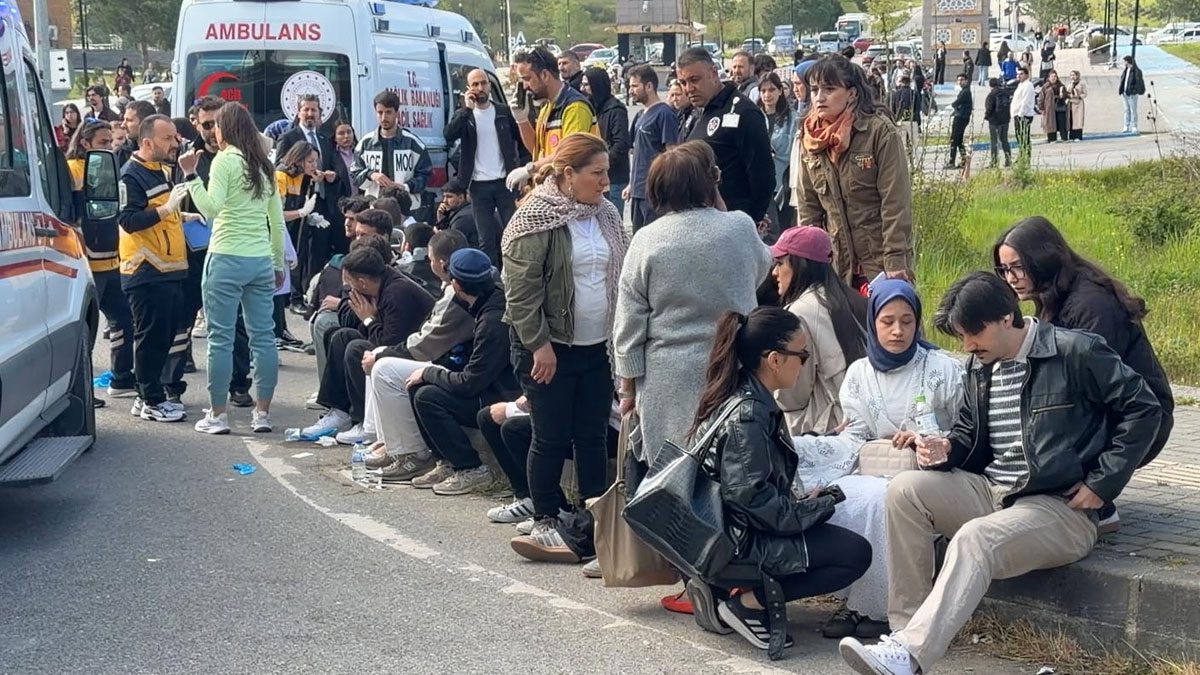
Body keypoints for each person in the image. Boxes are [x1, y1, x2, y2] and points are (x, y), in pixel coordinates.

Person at [838, 271, 1161, 675]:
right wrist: (946, 448)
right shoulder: (980, 366)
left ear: (1007, 317)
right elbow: (971, 436)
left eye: (974, 334)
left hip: (1059, 507)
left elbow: (1145, 409)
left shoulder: (1074, 351)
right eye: (961, 338)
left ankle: (910, 655)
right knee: (905, 491)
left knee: (975, 537)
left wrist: (1103, 482)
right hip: (994, 492)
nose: (968, 346)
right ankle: (905, 635)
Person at [682, 307, 871, 655]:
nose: (805, 362)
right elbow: (750, 500)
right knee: (855, 554)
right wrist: (815, 508)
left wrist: (802, 502)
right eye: (801, 354)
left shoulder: (745, 396)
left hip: (721, 532)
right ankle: (748, 604)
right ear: (773, 359)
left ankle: (722, 593)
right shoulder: (750, 413)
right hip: (734, 543)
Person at [790, 279, 964, 640]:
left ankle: (884, 607)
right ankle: (855, 602)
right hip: (874, 466)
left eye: (907, 321)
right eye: (887, 322)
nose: (898, 331)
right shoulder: (859, 374)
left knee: (882, 500)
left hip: (926, 474)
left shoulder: (942, 370)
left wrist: (926, 440)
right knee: (842, 493)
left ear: (918, 323)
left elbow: (966, 432)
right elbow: (854, 436)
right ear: (873, 322)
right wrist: (812, 446)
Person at [502, 133, 628, 563]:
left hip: (596, 347)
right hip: (547, 349)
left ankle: (593, 524)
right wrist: (539, 345)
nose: (606, 182)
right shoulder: (535, 218)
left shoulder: (607, 215)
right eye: (597, 173)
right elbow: (521, 292)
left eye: (608, 172)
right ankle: (546, 520)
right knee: (551, 436)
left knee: (592, 438)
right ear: (568, 174)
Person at [613, 141, 772, 472]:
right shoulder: (740, 226)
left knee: (673, 477)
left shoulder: (646, 239)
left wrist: (628, 388)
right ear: (710, 182)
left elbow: (629, 322)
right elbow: (762, 269)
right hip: (731, 365)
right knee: (731, 466)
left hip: (666, 376)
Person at [993, 217, 1174, 475]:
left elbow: (1088, 387)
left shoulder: (1092, 305)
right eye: (1004, 269)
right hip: (1110, 411)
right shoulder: (1056, 294)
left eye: (1018, 267)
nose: (1011, 278)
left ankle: (1091, 494)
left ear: (1042, 259)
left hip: (1141, 417)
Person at [180, 102, 287, 434]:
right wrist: (277, 263)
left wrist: (190, 175)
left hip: (225, 256)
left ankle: (218, 414)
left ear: (223, 130)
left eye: (216, 126)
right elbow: (277, 222)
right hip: (259, 260)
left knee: (221, 339)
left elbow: (211, 208)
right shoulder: (264, 166)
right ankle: (263, 414)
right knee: (263, 339)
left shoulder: (225, 161)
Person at [406, 248, 521, 494]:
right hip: (488, 385)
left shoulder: (493, 320)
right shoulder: (484, 300)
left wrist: (430, 373)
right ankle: (446, 462)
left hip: (501, 393)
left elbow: (470, 383)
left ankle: (471, 469)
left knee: (427, 396)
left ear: (456, 284)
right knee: (418, 387)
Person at [363, 229, 475, 482]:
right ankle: (388, 443)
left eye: (432, 258)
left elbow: (425, 344)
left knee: (383, 366)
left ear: (442, 264)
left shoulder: (458, 293)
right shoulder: (454, 284)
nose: (429, 262)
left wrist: (383, 349)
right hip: (447, 358)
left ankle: (412, 454)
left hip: (459, 366)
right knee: (377, 355)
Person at [795, 55, 914, 288]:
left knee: (887, 322)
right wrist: (811, 264)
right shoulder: (810, 139)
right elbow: (809, 209)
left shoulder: (879, 132)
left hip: (879, 260)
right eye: (815, 89)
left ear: (852, 93)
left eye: (829, 89)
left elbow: (895, 202)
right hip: (836, 263)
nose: (819, 97)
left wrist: (895, 260)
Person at [302, 242, 436, 443]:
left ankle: (363, 421)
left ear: (363, 282)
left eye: (350, 284)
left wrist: (368, 319)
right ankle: (339, 412)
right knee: (340, 336)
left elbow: (387, 345)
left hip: (413, 356)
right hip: (394, 346)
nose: (348, 290)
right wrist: (366, 319)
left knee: (357, 348)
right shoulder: (378, 287)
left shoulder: (396, 293)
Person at [117, 115, 190, 423]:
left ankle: (147, 394)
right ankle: (151, 400)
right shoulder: (130, 175)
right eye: (167, 138)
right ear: (146, 142)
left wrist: (184, 218)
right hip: (145, 268)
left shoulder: (160, 168)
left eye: (174, 137)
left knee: (163, 336)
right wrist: (167, 209)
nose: (174, 143)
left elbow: (162, 215)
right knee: (150, 337)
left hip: (170, 267)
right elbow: (129, 220)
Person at [769, 226, 867, 434]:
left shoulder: (798, 313)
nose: (774, 272)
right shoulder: (855, 300)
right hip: (867, 415)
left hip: (832, 426)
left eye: (779, 263)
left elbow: (792, 396)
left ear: (799, 265)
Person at [67, 121, 136, 406]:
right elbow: (72, 209)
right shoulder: (73, 169)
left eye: (111, 141)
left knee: (123, 317)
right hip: (88, 258)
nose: (111, 146)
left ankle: (121, 377)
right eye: (104, 142)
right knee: (89, 328)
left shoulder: (110, 164)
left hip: (111, 256)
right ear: (85, 143)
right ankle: (82, 391)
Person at [677, 47, 774, 228]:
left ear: (713, 73)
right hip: (700, 223)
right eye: (683, 82)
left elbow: (763, 176)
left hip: (731, 226)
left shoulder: (744, 112)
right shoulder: (698, 112)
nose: (688, 89)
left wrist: (752, 220)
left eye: (694, 80)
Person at [443, 68, 523, 266]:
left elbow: (520, 142)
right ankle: (492, 279)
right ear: (469, 88)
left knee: (513, 232)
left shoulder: (503, 112)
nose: (480, 88)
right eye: (475, 84)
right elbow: (448, 134)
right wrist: (466, 110)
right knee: (485, 238)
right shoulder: (465, 116)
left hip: (505, 181)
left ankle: (515, 272)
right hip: (478, 184)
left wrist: (523, 171)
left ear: (490, 85)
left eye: (483, 83)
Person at [278, 95, 353, 296]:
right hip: (296, 203)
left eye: (314, 110)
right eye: (306, 110)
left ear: (320, 114)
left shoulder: (324, 139)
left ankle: (311, 291)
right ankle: (293, 295)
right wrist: (305, 173)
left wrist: (331, 176)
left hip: (322, 202)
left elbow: (336, 169)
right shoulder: (289, 137)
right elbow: (280, 167)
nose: (310, 114)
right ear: (298, 112)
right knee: (296, 249)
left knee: (317, 251)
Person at [507, 46, 600, 189]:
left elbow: (569, 154)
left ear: (545, 75)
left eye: (527, 79)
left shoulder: (575, 107)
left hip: (577, 193)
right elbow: (536, 150)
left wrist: (530, 169)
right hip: (556, 190)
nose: (525, 86)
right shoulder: (547, 108)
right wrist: (522, 120)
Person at [351, 90, 433, 211]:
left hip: (406, 208)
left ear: (396, 113)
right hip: (374, 206)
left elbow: (426, 175)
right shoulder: (365, 143)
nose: (383, 117)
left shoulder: (413, 143)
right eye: (380, 113)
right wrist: (370, 174)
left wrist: (405, 187)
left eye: (388, 112)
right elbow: (354, 173)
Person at [624, 64, 679, 231]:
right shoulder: (641, 115)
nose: (630, 91)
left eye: (634, 86)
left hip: (654, 193)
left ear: (649, 86)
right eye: (629, 86)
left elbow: (672, 153)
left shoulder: (665, 114)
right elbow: (639, 153)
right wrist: (631, 184)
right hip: (637, 192)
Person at [274, 140, 321, 318]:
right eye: (310, 161)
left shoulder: (305, 177)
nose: (314, 165)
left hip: (295, 226)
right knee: (286, 266)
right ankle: (291, 302)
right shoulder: (281, 175)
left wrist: (309, 216)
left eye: (315, 161)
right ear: (298, 160)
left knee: (298, 260)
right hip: (279, 229)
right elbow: (277, 213)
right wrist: (302, 212)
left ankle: (295, 298)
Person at [582, 67, 631, 215]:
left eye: (586, 85)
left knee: (611, 220)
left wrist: (601, 164)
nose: (582, 88)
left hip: (614, 177)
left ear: (597, 85)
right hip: (596, 175)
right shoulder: (591, 107)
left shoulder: (616, 110)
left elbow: (621, 144)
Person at [759, 72, 797, 232]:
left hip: (784, 182)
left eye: (772, 90)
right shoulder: (754, 116)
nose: (767, 95)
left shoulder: (793, 118)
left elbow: (792, 152)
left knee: (783, 228)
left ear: (780, 91)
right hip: (761, 183)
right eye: (763, 91)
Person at [434, 181, 477, 247]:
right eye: (444, 196)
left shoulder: (462, 219)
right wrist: (441, 219)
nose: (444, 201)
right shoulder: (460, 211)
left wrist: (440, 236)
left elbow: (452, 246)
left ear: (461, 198)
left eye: (449, 197)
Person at [116, 100, 156, 169]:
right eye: (124, 120)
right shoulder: (121, 153)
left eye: (129, 120)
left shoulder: (163, 152)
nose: (123, 125)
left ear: (144, 123)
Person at [984, 78, 1013, 168]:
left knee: (994, 142)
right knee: (1004, 140)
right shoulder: (1005, 93)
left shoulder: (991, 95)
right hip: (1005, 120)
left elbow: (989, 108)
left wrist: (986, 116)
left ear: (990, 85)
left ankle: (994, 162)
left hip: (994, 121)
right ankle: (1008, 160)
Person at [947, 73, 973, 169]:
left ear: (966, 81)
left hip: (961, 118)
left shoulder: (965, 92)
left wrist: (953, 106)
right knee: (958, 141)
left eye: (962, 79)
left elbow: (957, 103)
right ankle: (964, 159)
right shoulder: (964, 91)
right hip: (961, 117)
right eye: (959, 80)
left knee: (954, 140)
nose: (960, 82)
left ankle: (951, 161)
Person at [1010, 67, 1036, 162]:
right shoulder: (1020, 85)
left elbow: (1025, 101)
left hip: (1024, 115)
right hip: (1017, 114)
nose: (1019, 76)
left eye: (1021, 74)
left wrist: (1020, 114)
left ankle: (1026, 157)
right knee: (1019, 136)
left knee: (1025, 137)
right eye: (1018, 74)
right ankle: (1022, 154)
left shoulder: (1028, 85)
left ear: (1026, 75)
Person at [889, 75, 920, 149]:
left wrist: (894, 119)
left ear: (901, 83)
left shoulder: (896, 94)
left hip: (900, 120)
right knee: (914, 144)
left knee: (902, 144)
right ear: (909, 83)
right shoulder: (914, 94)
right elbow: (918, 108)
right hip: (912, 120)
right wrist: (918, 122)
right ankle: (913, 159)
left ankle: (905, 159)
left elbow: (892, 108)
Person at [1039, 69, 1068, 143]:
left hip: (1060, 107)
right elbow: (1041, 97)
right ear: (1049, 77)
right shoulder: (1045, 86)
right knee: (1050, 123)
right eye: (1052, 76)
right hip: (1049, 108)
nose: (1053, 78)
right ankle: (1052, 138)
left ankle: (1064, 138)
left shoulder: (1061, 85)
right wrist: (1041, 107)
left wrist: (1063, 95)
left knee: (1062, 122)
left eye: (1055, 76)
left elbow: (1066, 95)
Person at [1119, 55, 1145, 134]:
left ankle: (1134, 126)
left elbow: (1138, 83)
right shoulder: (1126, 70)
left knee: (1133, 110)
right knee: (1126, 110)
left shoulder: (1136, 71)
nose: (1124, 63)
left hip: (1132, 94)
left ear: (1128, 62)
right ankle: (1126, 125)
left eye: (1125, 61)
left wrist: (1134, 91)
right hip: (1125, 93)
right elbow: (1123, 80)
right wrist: (1121, 90)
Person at [333, 121, 359, 192]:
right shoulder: (331, 156)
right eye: (341, 133)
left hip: (361, 198)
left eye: (349, 132)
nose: (346, 136)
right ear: (335, 138)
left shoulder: (360, 152)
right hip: (341, 199)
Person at [1065, 70, 1087, 141]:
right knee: (1072, 120)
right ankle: (1072, 136)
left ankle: (1078, 136)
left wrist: (1079, 96)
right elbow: (1067, 93)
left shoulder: (1082, 84)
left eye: (1074, 75)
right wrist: (1068, 95)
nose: (1073, 77)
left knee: (1078, 120)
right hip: (1071, 104)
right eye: (1071, 75)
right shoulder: (1070, 84)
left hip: (1079, 104)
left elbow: (1085, 94)